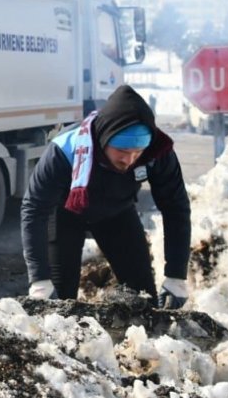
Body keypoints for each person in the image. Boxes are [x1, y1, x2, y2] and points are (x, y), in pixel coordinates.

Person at [20, 85, 192, 308]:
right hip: (64, 213)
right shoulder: (65, 150)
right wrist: (39, 279)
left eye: (137, 153)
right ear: (104, 139)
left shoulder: (157, 152)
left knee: (143, 299)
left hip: (117, 212)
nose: (129, 160)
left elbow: (176, 208)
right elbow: (33, 209)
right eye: (122, 151)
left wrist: (176, 275)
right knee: (57, 304)